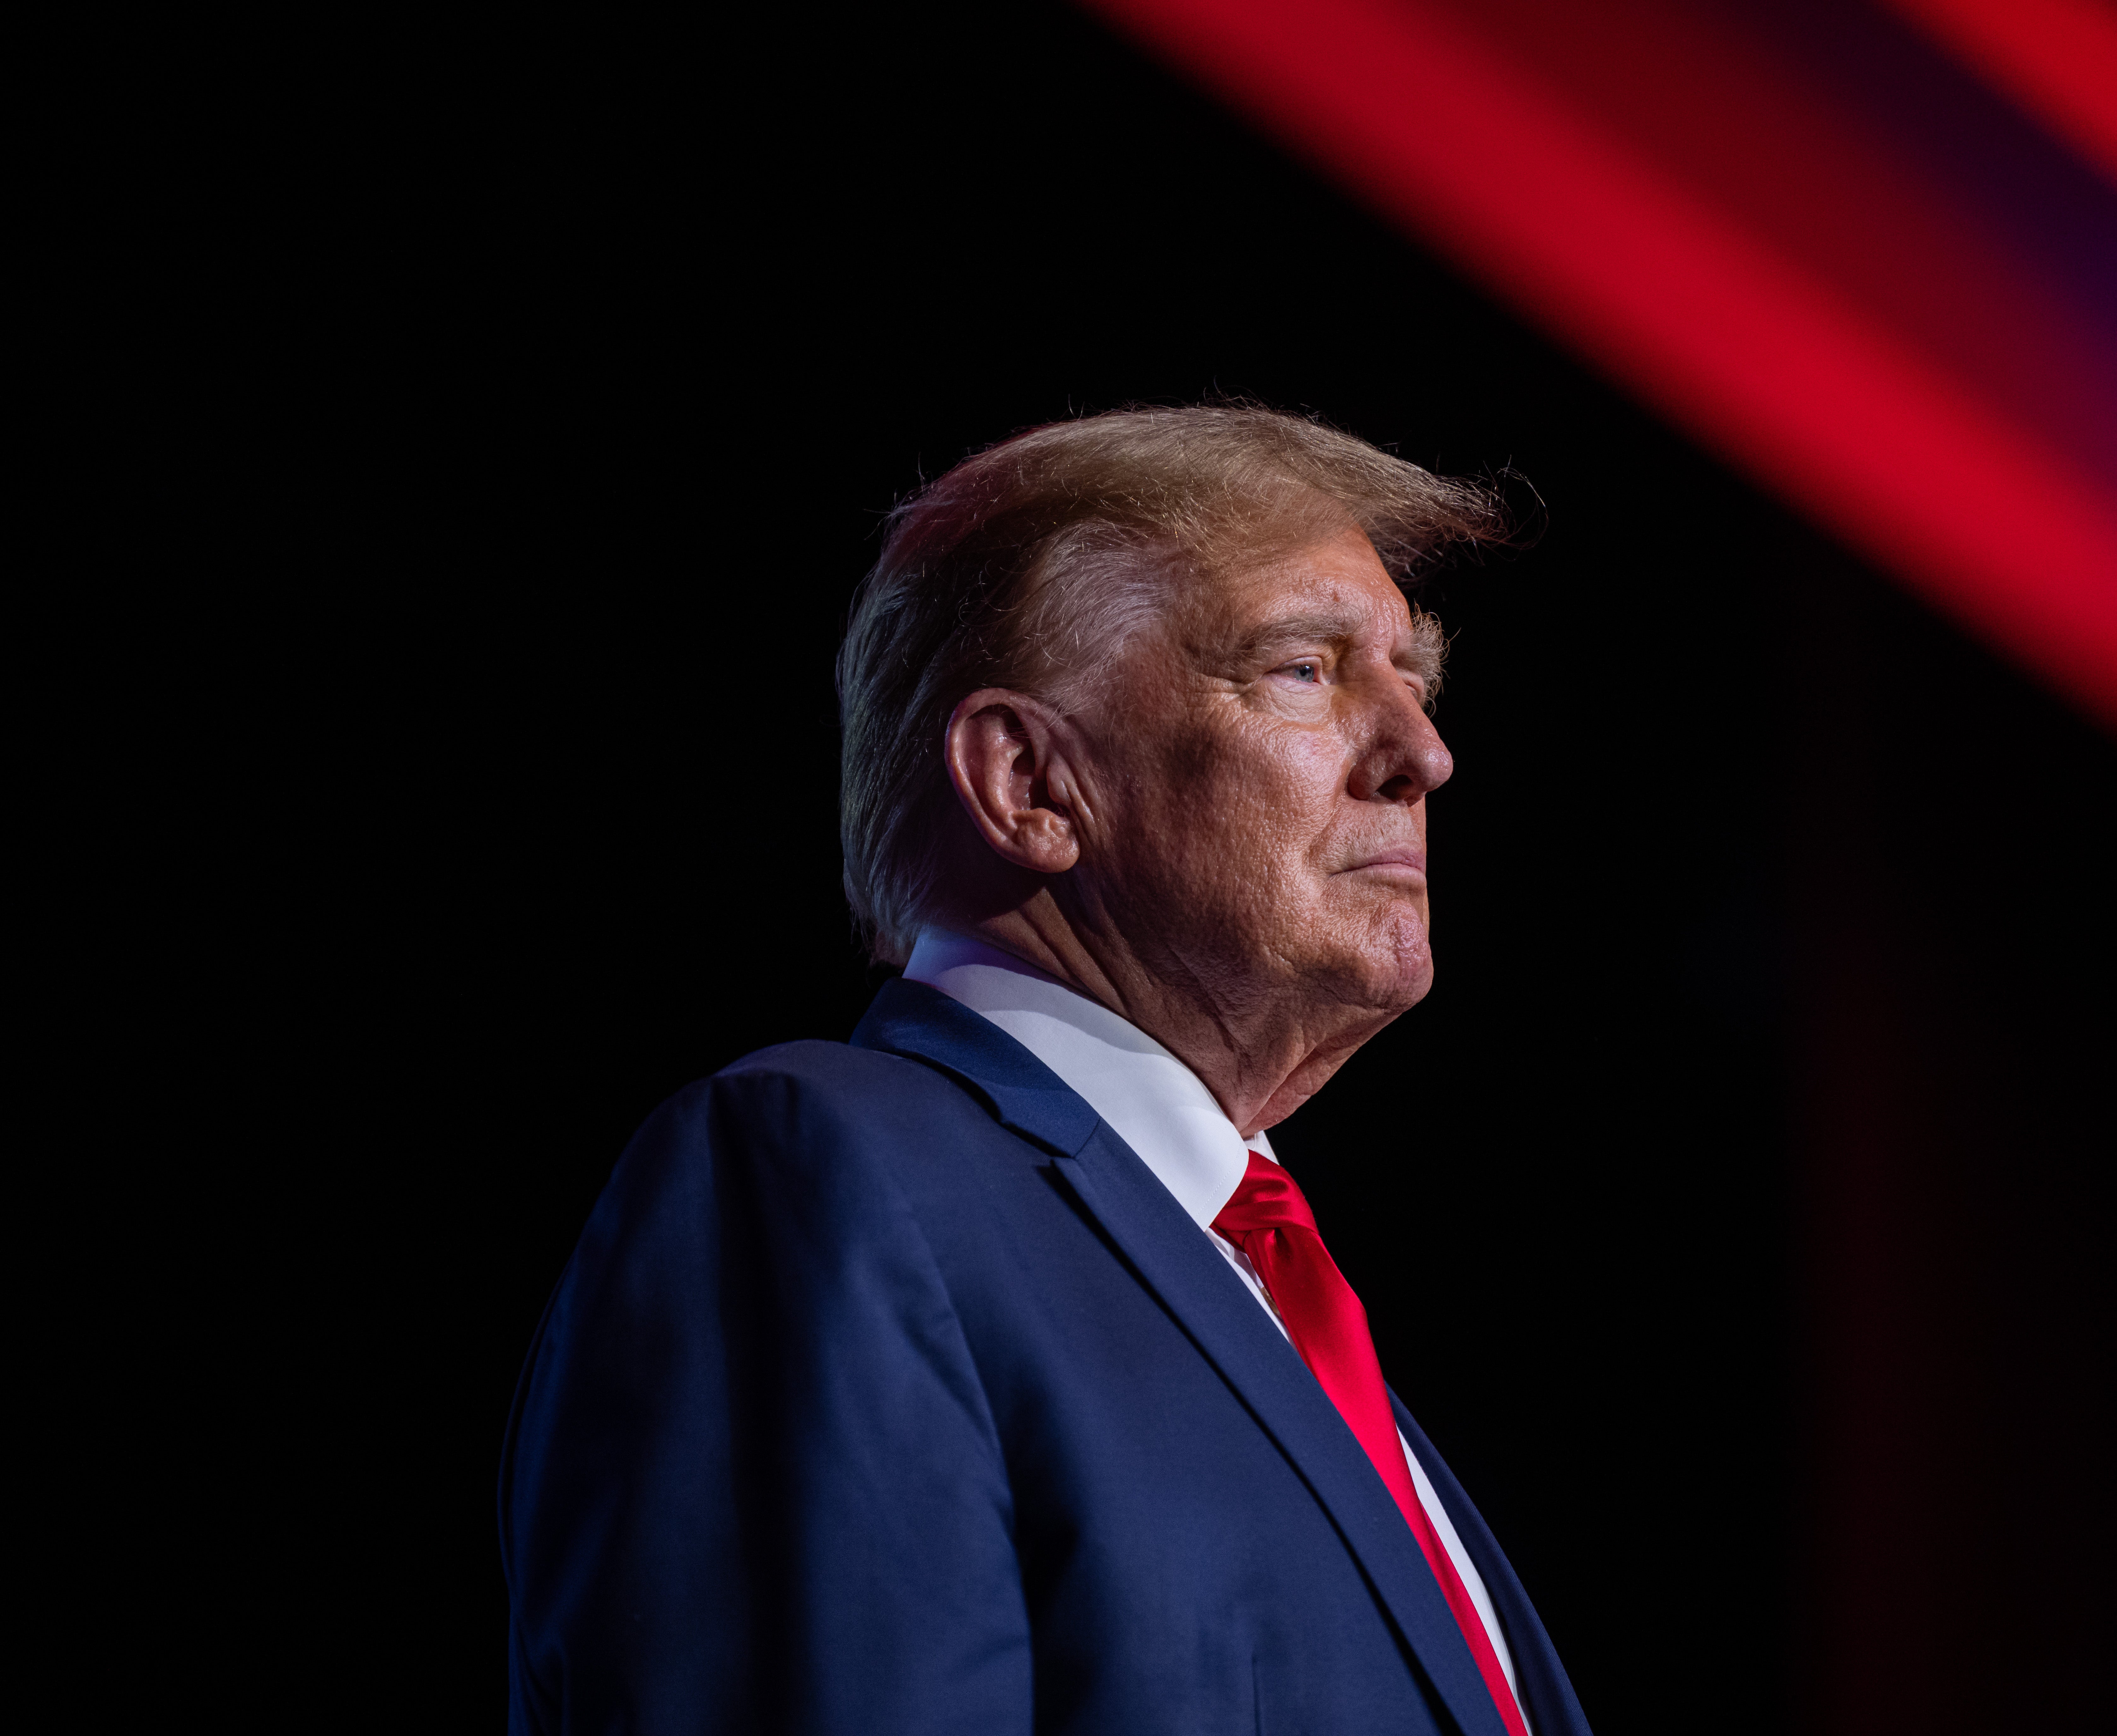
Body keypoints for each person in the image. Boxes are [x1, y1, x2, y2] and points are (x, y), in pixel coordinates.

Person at [500, 405, 1589, 1735]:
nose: (1424, 753)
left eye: (1414, 676)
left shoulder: (1256, 1286)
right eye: (1303, 668)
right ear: (1030, 782)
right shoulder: (821, 1172)